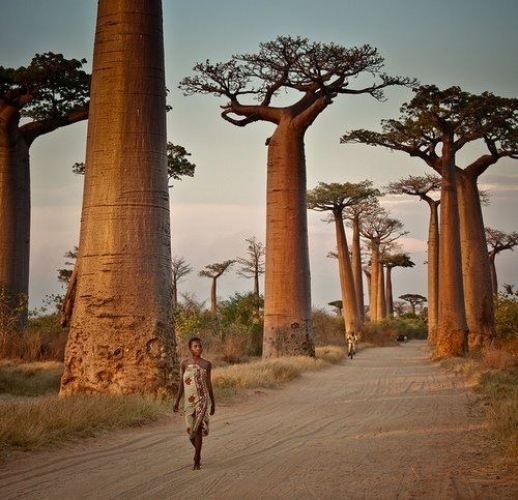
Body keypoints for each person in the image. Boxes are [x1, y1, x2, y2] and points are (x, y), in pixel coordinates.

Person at [173, 336, 216, 470]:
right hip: (189, 402)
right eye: (195, 346)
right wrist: (177, 400)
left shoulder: (206, 364)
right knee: (191, 433)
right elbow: (181, 384)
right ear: (190, 348)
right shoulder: (184, 364)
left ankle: (196, 460)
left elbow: (209, 384)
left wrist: (213, 403)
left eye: (200, 346)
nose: (198, 348)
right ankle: (198, 451)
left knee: (197, 430)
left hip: (202, 400)